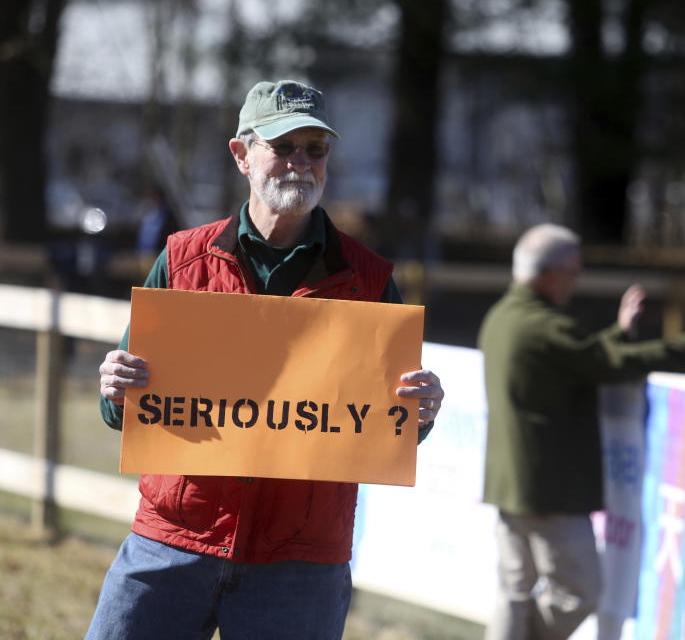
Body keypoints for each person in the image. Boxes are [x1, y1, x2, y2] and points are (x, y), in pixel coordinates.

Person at [87, 80, 445, 640]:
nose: (300, 163)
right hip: (173, 539)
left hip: (299, 564)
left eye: (316, 150)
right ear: (242, 155)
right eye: (283, 147)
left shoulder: (371, 279)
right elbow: (124, 409)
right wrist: (115, 388)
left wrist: (421, 411)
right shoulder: (182, 260)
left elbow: (389, 428)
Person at [478, 223, 685, 640]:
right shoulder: (545, 326)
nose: (575, 281)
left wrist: (619, 334)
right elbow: (605, 362)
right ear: (551, 273)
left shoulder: (503, 317)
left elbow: (579, 357)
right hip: (550, 491)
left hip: (510, 485)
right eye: (574, 272)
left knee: (514, 591)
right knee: (580, 592)